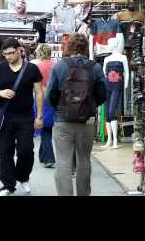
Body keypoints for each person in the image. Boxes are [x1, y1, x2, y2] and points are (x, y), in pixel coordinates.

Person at [45, 33, 107, 196]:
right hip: (86, 122)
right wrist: (91, 107)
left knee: (63, 162)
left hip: (63, 121)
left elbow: (50, 94)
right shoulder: (95, 67)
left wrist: (58, 109)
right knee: (84, 160)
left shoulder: (60, 66)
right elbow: (102, 94)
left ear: (69, 47)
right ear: (86, 49)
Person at [0, 37, 44, 196]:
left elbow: (39, 93)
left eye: (12, 53)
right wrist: (0, 92)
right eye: (6, 54)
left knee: (26, 150)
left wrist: (39, 116)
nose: (9, 57)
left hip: (26, 116)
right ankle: (7, 185)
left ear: (19, 50)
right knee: (5, 151)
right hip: (6, 116)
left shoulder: (31, 69)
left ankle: (23, 176)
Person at [31, 44, 56, 168]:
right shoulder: (55, 65)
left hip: (42, 98)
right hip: (54, 99)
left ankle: (48, 157)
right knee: (48, 127)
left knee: (44, 128)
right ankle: (43, 155)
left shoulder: (37, 66)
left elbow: (35, 86)